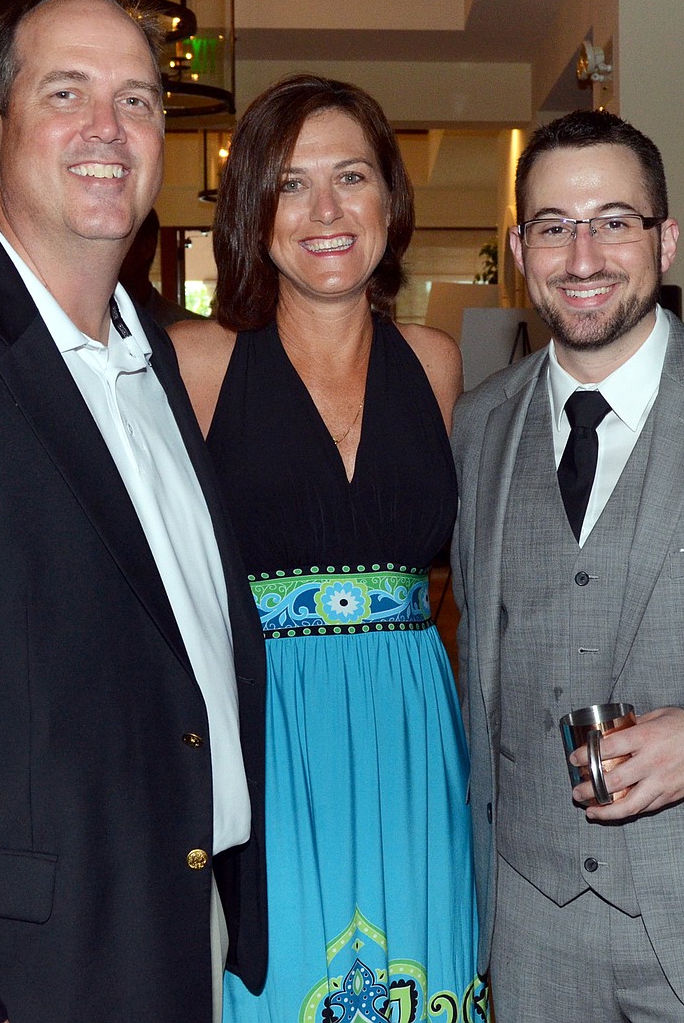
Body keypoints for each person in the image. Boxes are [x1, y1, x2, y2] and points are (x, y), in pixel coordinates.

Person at [0, 0, 266, 1023]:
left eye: (140, 100)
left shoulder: (150, 347)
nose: (109, 129)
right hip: (19, 964)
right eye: (66, 93)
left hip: (174, 918)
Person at [171, 74, 489, 1022]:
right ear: (252, 214)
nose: (326, 210)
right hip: (271, 738)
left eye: (351, 175)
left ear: (390, 199)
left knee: (424, 972)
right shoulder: (199, 361)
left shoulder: (434, 361)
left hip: (413, 731)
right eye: (290, 184)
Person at [452, 109, 684, 1022]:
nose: (582, 255)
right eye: (553, 226)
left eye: (614, 220)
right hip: (530, 929)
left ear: (665, 238)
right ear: (520, 247)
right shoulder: (478, 425)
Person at [118, 207, 204, 326]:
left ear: (146, 247)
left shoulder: (193, 331)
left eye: (118, 241)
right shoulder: (86, 329)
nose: (105, 253)